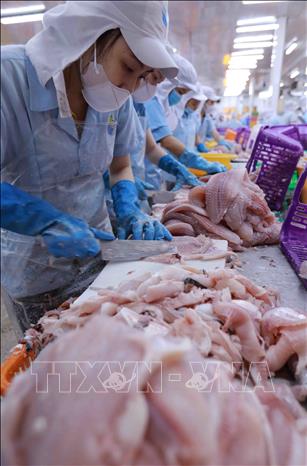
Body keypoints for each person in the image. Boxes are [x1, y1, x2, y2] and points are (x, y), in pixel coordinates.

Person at [0, 1, 178, 332]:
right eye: (128, 67)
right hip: (33, 274)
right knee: (53, 366)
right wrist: (45, 221)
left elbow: (121, 164)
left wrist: (128, 208)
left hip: (100, 261)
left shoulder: (115, 96)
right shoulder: (9, 78)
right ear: (92, 33)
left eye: (140, 77)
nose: (129, 86)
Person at [144, 55, 226, 189]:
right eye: (180, 92)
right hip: (143, 175)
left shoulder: (164, 107)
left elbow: (152, 147)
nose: (180, 97)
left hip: (154, 173)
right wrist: (196, 161)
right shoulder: (151, 102)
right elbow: (166, 140)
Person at [196, 86, 234, 153]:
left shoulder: (207, 117)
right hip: (194, 149)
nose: (213, 105)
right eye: (211, 102)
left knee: (224, 149)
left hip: (200, 150)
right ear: (203, 101)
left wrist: (224, 143)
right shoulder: (193, 115)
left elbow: (215, 133)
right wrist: (200, 145)